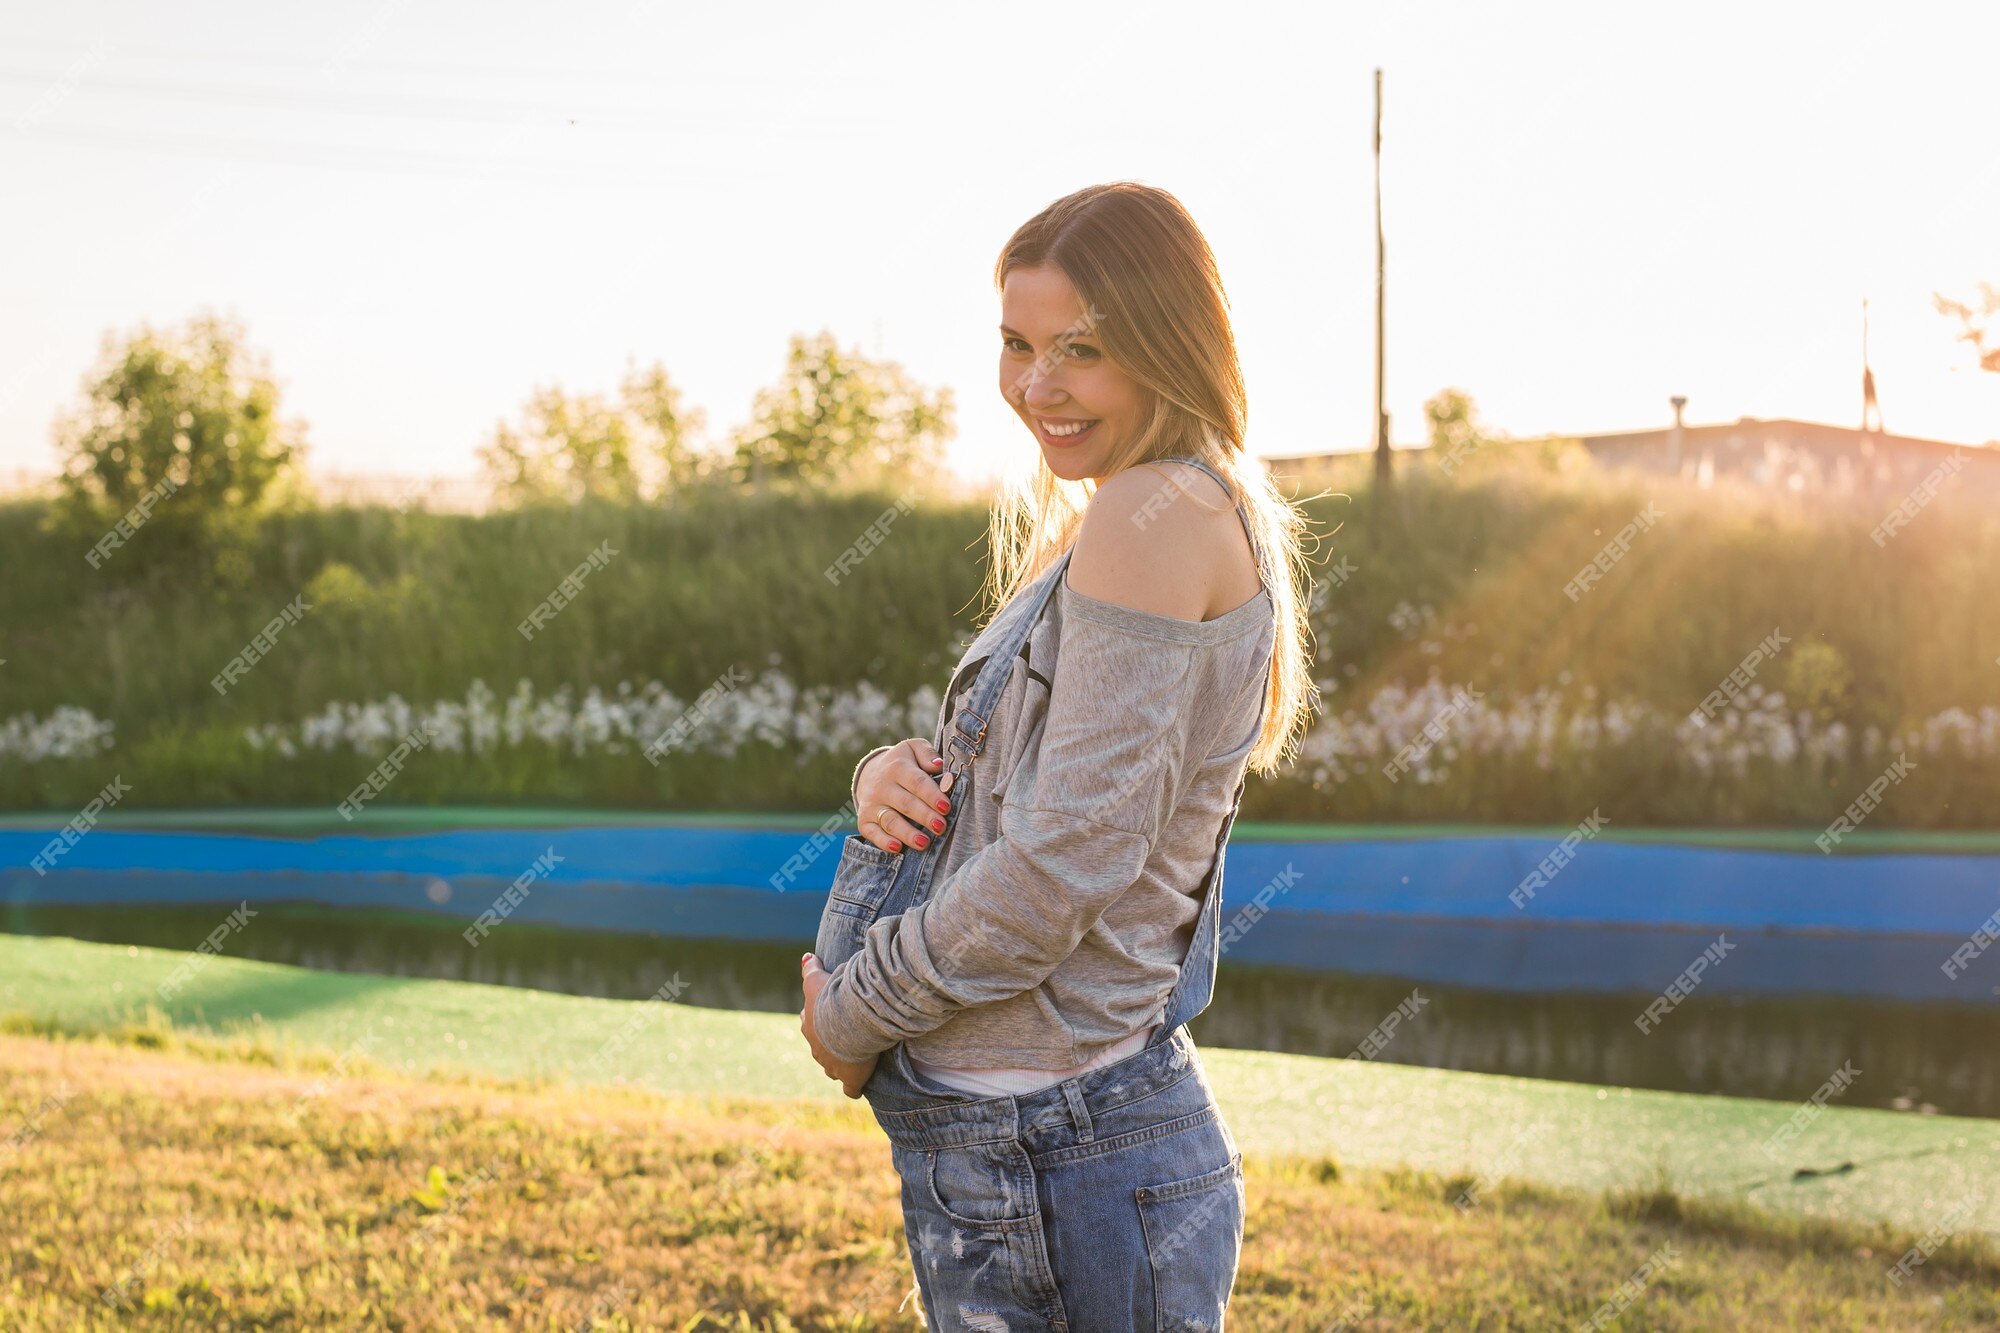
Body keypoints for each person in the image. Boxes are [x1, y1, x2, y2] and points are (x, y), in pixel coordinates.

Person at [798, 181, 1319, 1331]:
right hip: (1020, 1149)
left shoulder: (1150, 513)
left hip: (1058, 1154)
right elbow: (1034, 799)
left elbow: (1063, 867)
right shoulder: (1120, 516)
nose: (1037, 385)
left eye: (1081, 350)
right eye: (1017, 344)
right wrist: (891, 778)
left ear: (1165, 345)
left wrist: (853, 1011)